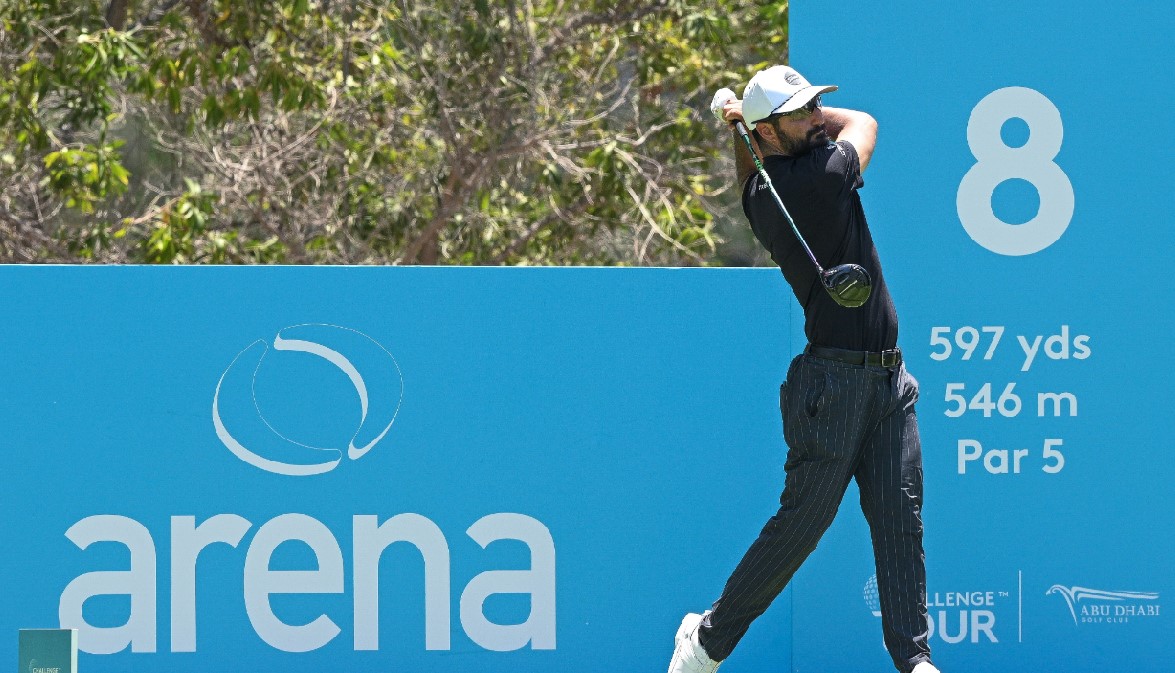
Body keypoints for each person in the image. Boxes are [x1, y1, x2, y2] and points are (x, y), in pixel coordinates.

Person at [665, 65, 939, 673]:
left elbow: (750, 176)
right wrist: (749, 118)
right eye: (802, 113)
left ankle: (915, 661)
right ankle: (708, 640)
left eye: (817, 107)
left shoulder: (763, 195)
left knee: (900, 516)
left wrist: (746, 124)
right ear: (768, 134)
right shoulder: (825, 175)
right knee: (803, 525)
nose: (818, 119)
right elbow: (863, 122)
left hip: (889, 381)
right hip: (834, 385)